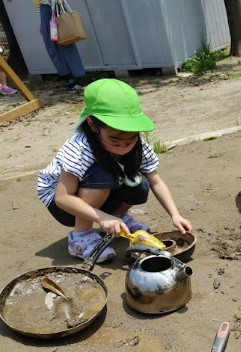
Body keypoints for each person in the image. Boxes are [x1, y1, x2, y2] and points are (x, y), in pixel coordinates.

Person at [37, 79, 193, 262]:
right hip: (64, 205)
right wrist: (102, 217)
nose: (124, 146)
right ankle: (80, 238)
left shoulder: (138, 146)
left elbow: (155, 180)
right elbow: (62, 198)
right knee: (101, 173)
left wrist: (175, 215)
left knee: (140, 182)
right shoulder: (80, 149)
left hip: (100, 191)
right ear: (92, 125)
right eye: (115, 140)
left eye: (130, 139)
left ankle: (118, 217)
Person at [35, 0, 85, 92]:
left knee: (66, 43)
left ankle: (79, 79)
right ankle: (69, 77)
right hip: (45, 11)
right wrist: (41, 23)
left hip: (54, 8)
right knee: (52, 47)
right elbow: (38, 5)